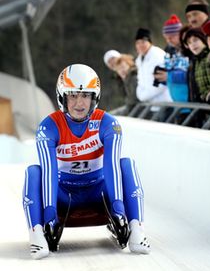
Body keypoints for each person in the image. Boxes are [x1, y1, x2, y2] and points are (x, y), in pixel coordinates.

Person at [22, 64, 150, 260]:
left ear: (94, 98)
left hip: (100, 193)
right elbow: (48, 171)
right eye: (72, 95)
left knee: (126, 164)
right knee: (33, 171)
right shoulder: (48, 126)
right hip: (64, 196)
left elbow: (112, 166)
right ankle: (36, 233)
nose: (79, 103)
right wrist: (49, 213)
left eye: (85, 96)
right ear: (62, 97)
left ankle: (137, 229)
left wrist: (118, 209)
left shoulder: (109, 123)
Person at [134, 27, 172, 106]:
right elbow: (140, 81)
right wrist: (140, 95)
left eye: (143, 42)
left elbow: (162, 83)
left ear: (150, 42)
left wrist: (144, 96)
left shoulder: (158, 55)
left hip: (165, 102)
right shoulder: (139, 60)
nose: (140, 45)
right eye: (138, 43)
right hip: (151, 104)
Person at [183, 27, 210, 102]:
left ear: (203, 40)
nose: (193, 45)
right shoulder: (193, 62)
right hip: (202, 107)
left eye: (195, 40)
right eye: (189, 43)